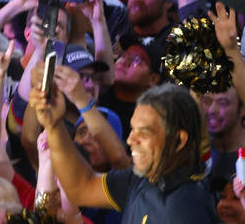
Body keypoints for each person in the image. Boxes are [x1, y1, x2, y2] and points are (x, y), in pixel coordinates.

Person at [31, 78, 218, 224]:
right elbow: (81, 188)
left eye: (143, 133)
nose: (130, 140)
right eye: (132, 130)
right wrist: (54, 125)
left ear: (178, 140)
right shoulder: (141, 179)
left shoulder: (187, 210)